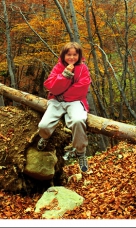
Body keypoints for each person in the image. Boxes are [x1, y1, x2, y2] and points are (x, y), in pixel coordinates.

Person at [37, 41, 92, 172]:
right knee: (43, 126)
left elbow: (82, 88)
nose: (72, 58)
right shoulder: (58, 67)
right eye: (68, 55)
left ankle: (80, 152)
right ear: (63, 55)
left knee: (78, 120)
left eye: (75, 55)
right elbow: (51, 86)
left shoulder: (83, 69)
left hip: (75, 101)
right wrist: (65, 75)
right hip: (56, 101)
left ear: (79, 56)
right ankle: (45, 137)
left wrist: (63, 95)